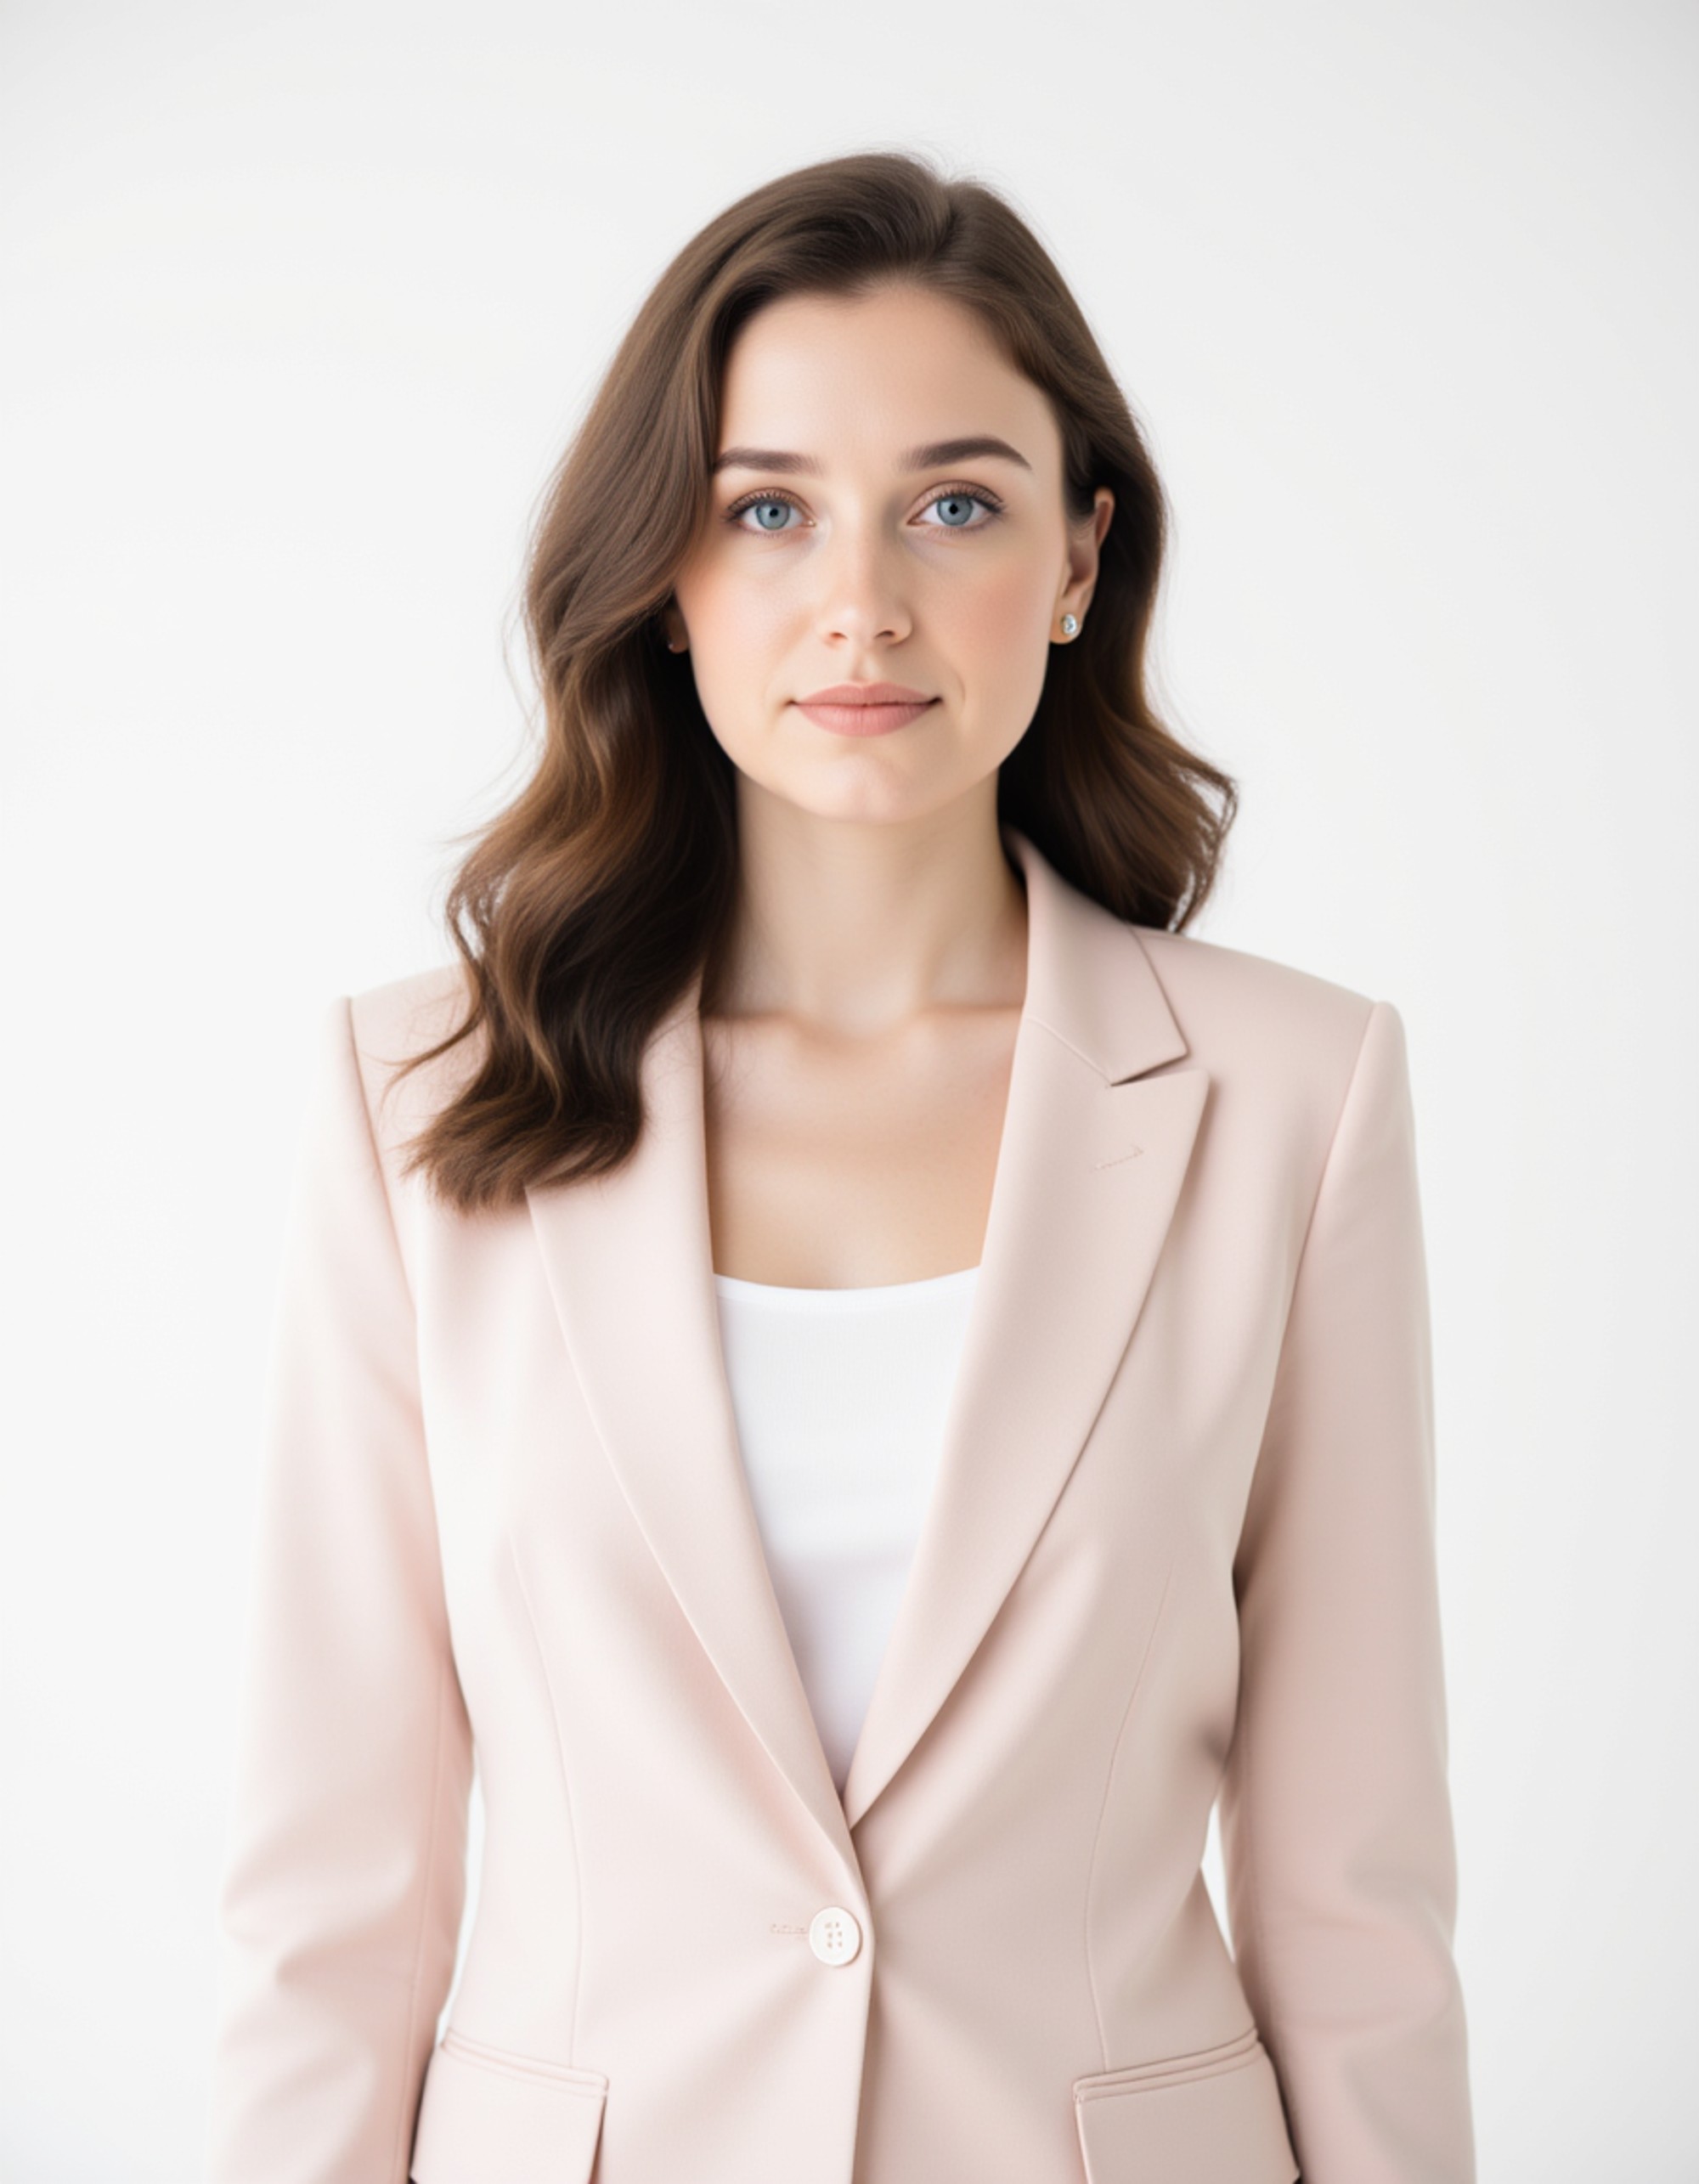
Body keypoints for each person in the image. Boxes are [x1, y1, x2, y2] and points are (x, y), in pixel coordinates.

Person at [203, 150, 1475, 2184]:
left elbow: (1353, 1904)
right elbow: (333, 1906)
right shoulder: (421, 1100)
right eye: (766, 509)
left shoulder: (1292, 1095)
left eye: (954, 504)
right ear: (665, 571)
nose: (861, 601)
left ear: (1076, 560)